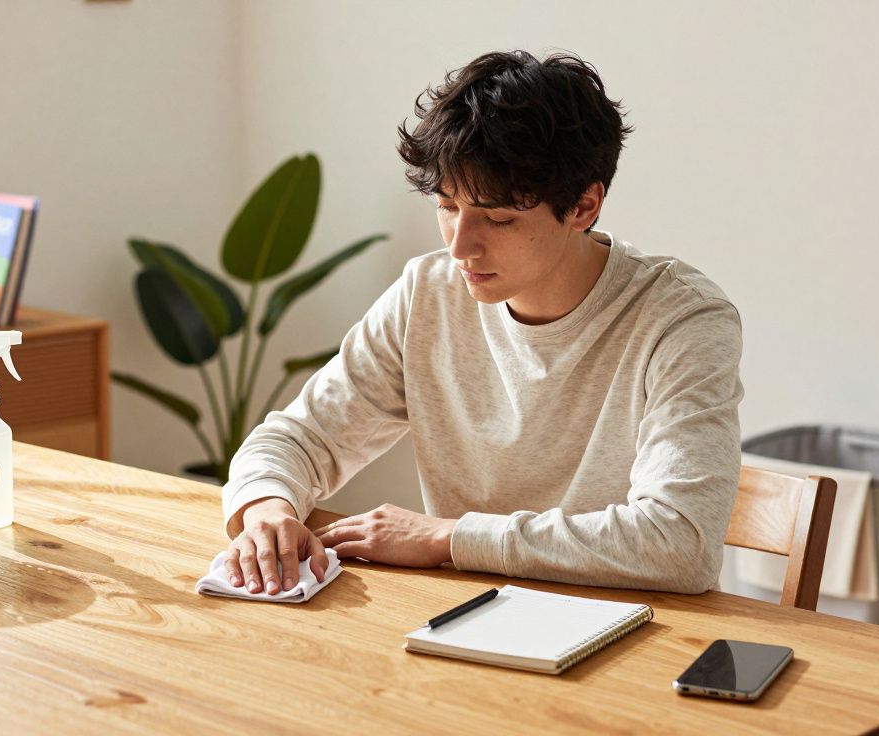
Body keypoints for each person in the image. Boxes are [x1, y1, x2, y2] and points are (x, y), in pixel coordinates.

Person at [220, 50, 744, 598]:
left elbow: (680, 543)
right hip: (462, 616)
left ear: (585, 207)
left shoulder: (682, 319)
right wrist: (266, 509)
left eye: (498, 218)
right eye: (446, 206)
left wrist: (450, 539)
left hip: (630, 630)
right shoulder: (429, 292)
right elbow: (298, 438)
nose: (460, 245)